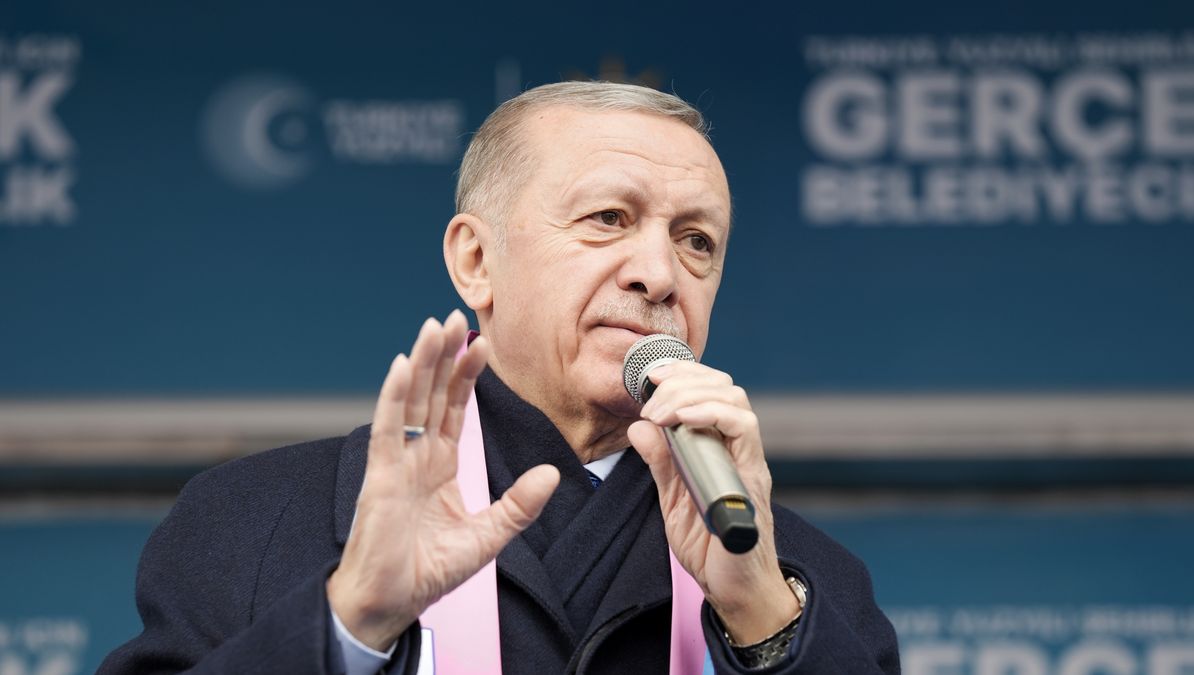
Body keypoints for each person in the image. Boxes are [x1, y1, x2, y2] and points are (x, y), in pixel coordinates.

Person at [100, 81, 900, 674]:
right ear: (476, 259)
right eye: (608, 219)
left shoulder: (801, 578)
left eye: (696, 241)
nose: (659, 274)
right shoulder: (253, 522)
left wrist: (761, 614)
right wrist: (351, 623)